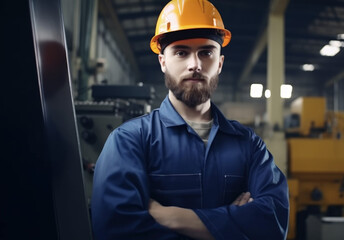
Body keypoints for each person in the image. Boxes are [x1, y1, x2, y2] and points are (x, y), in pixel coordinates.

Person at [91, 0, 289, 239]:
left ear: (220, 63)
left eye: (206, 52)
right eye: (181, 52)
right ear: (163, 61)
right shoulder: (129, 141)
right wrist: (231, 227)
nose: (195, 65)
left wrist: (172, 217)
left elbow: (273, 222)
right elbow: (116, 230)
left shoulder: (248, 144)